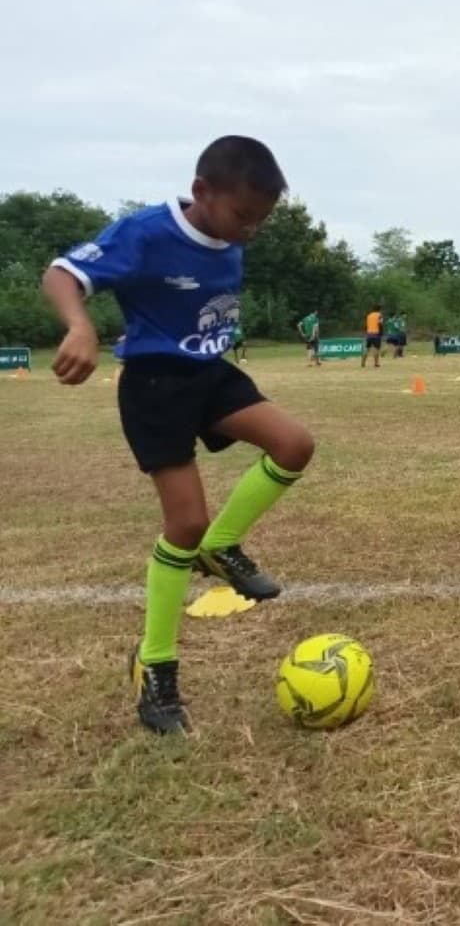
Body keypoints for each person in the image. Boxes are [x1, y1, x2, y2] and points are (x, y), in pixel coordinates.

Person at [41, 136, 314, 734]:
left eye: (261, 222)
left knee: (294, 444)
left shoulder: (232, 233)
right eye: (243, 217)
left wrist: (241, 227)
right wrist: (80, 324)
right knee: (182, 524)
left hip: (209, 374)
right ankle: (155, 664)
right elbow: (62, 273)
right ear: (201, 193)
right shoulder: (145, 233)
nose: (249, 231)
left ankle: (223, 546)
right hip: (156, 383)